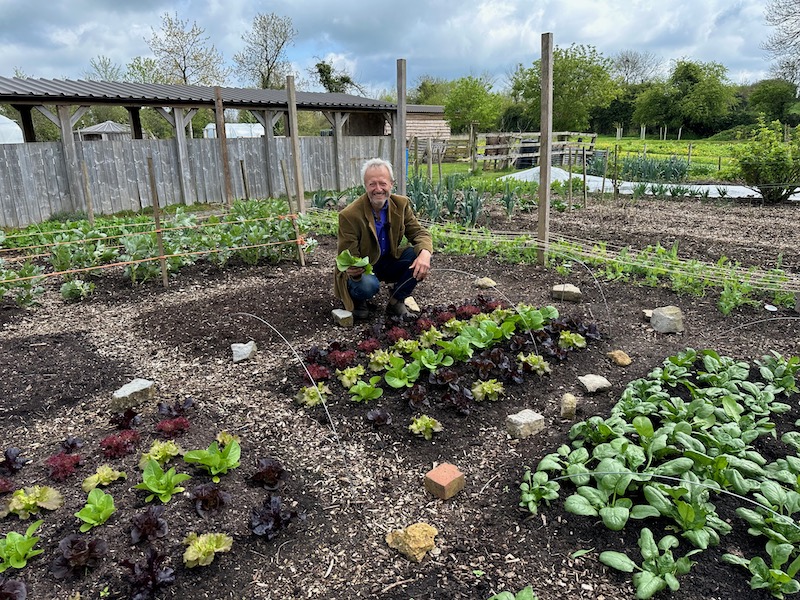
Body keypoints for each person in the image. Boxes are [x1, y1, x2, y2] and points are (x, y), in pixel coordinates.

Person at [334, 158, 433, 319]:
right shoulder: (350, 215)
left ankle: (396, 300)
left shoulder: (401, 205)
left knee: (419, 256)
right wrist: (353, 270)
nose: (378, 189)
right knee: (368, 285)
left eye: (383, 183)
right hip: (363, 267)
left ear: (391, 184)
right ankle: (358, 299)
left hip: (388, 260)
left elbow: (419, 233)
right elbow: (348, 256)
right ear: (365, 185)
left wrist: (425, 253)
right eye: (372, 184)